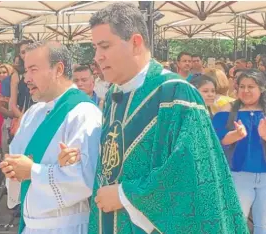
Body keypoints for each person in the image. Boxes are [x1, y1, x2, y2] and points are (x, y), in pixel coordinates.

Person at [87, 3, 248, 234]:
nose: (97, 57)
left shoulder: (175, 94)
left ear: (135, 43)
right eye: (95, 48)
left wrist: (124, 196)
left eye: (104, 46)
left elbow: (192, 173)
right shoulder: (115, 96)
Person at [0, 41, 102, 234]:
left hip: (66, 226)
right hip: (31, 224)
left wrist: (33, 171)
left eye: (33, 70)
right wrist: (11, 169)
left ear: (58, 69)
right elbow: (15, 158)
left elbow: (86, 179)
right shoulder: (32, 113)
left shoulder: (83, 113)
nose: (26, 79)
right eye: (26, 71)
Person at [212, 69, 266, 234]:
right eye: (242, 86)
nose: (246, 91)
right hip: (238, 176)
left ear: (261, 89)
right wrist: (235, 135)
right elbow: (217, 140)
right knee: (236, 224)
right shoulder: (226, 112)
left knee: (262, 226)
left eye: (251, 86)